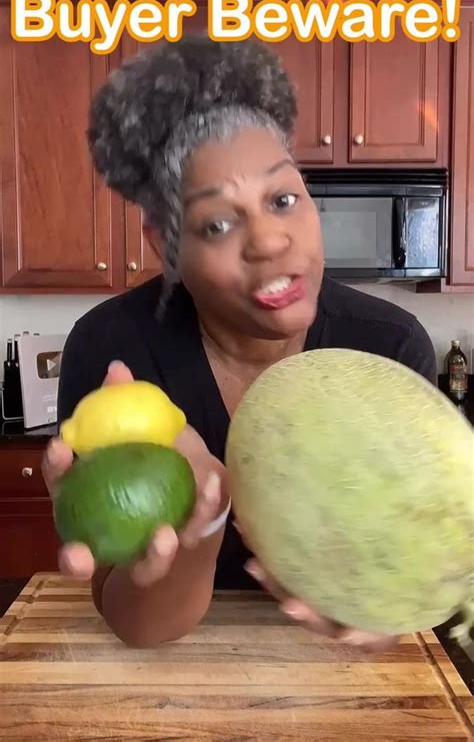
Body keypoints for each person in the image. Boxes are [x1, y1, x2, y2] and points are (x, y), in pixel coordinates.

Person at [42, 35, 437, 650]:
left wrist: (386, 608)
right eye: (218, 223)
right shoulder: (115, 350)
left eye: (283, 199)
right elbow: (135, 624)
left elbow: (409, 577)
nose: (270, 241)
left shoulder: (389, 349)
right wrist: (207, 517)